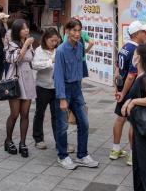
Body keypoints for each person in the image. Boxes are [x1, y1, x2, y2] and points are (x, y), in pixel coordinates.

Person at [53, 19, 99, 170]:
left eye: (79, 30)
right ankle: (63, 156)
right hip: (64, 90)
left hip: (76, 89)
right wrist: (62, 98)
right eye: (74, 30)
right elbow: (58, 75)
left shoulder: (80, 46)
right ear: (67, 31)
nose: (77, 34)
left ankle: (82, 155)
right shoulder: (60, 50)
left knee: (84, 123)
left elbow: (81, 65)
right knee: (62, 126)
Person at [120, 45, 146, 191]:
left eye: (135, 54)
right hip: (139, 127)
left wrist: (133, 102)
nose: (133, 56)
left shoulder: (145, 77)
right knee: (138, 165)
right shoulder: (141, 75)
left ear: (138, 58)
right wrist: (127, 100)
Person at [112, 20, 146, 166]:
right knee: (133, 123)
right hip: (132, 90)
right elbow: (130, 75)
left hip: (123, 88)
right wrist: (124, 93)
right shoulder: (136, 50)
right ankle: (133, 155)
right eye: (143, 32)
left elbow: (118, 70)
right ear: (136, 34)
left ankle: (115, 150)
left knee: (120, 118)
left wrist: (118, 89)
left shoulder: (124, 47)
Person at [3, 19, 36, 158]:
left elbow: (32, 59)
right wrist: (26, 45)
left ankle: (23, 143)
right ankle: (9, 140)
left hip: (28, 78)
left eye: (27, 28)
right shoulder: (11, 43)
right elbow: (14, 59)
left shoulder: (29, 44)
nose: (26, 30)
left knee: (25, 114)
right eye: (23, 28)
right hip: (15, 80)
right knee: (14, 114)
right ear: (17, 31)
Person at [31, 27, 61, 150]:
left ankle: (59, 141)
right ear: (45, 39)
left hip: (56, 87)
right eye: (52, 41)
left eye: (56, 41)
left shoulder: (59, 50)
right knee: (39, 113)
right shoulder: (39, 50)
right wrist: (50, 62)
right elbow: (35, 65)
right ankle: (38, 139)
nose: (54, 43)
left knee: (57, 115)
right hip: (42, 87)